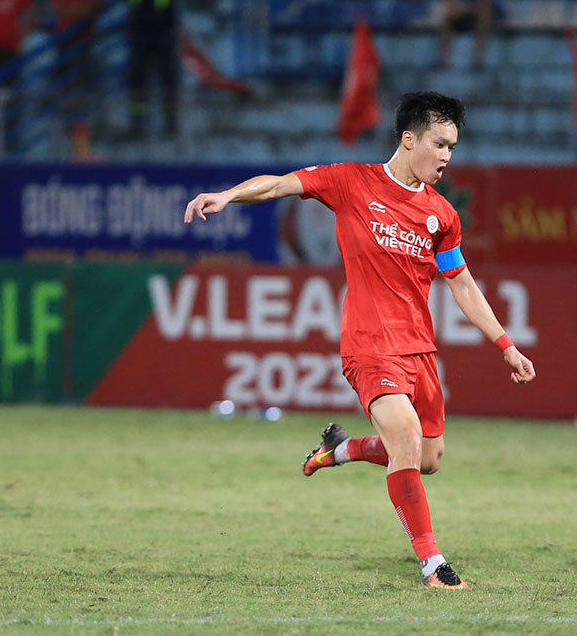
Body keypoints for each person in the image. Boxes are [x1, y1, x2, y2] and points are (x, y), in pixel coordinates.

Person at [183, 92, 536, 589]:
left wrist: (506, 345)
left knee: (428, 459)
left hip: (419, 350)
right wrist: (228, 196)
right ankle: (434, 565)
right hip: (369, 345)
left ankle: (341, 450)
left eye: (452, 148)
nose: (446, 157)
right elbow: (280, 184)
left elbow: (461, 283)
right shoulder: (352, 182)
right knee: (407, 441)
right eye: (438, 144)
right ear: (408, 139)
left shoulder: (441, 215)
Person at [123, 0, 185, 136]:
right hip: (140, 30)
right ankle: (138, 122)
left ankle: (170, 122)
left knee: (168, 78)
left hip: (164, 30)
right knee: (138, 78)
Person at [51, 0, 107, 148]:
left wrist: (72, 10)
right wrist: (79, 9)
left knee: (84, 88)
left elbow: (93, 8)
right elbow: (57, 7)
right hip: (65, 42)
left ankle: (84, 129)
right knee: (66, 86)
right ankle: (69, 125)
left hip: (87, 44)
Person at [0, 0, 35, 154]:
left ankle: (11, 144)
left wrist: (22, 35)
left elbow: (31, 14)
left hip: (9, 52)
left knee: (12, 98)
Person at [437, 0, 496, 69]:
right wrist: (459, 8)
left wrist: (466, 8)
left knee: (485, 14)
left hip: (477, 12)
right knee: (448, 17)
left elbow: (487, 0)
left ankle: (478, 59)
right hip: (462, 12)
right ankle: (443, 59)